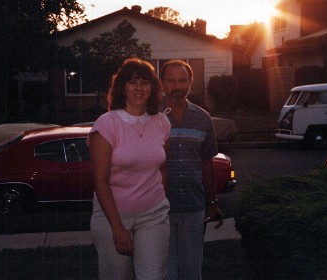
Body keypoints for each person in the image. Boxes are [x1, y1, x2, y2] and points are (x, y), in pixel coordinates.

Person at [87, 58, 171, 280]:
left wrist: (160, 196)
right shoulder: (106, 124)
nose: (139, 88)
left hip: (153, 214)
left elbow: (162, 167)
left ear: (153, 88)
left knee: (153, 277)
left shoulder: (162, 122)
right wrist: (117, 227)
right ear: (122, 87)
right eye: (133, 82)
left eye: (145, 82)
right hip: (113, 216)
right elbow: (100, 178)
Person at [159, 60, 224, 280]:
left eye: (182, 80)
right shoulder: (150, 117)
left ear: (190, 83)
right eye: (171, 81)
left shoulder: (203, 119)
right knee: (165, 271)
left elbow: (207, 162)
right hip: (158, 209)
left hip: (193, 207)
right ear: (162, 84)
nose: (176, 86)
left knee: (191, 270)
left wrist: (212, 202)